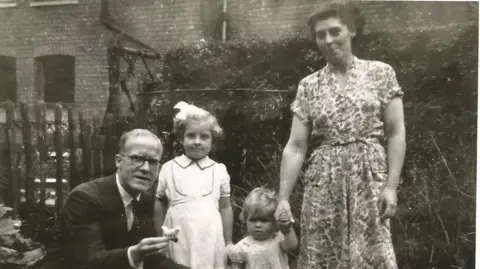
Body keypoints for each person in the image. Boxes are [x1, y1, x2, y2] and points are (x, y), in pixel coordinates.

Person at [274, 1, 406, 269]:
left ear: (352, 30)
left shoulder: (381, 73)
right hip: (325, 180)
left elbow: (395, 133)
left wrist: (391, 186)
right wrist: (283, 199)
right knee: (323, 254)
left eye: (335, 31)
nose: (328, 40)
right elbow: (296, 146)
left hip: (369, 177)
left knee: (372, 253)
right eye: (320, 34)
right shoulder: (309, 86)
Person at [35, 129, 189, 269]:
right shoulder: (84, 198)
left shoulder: (146, 200)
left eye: (153, 162)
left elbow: (150, 258)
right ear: (118, 161)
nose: (145, 168)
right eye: (137, 158)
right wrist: (134, 254)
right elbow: (89, 261)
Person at [154, 102, 234, 269]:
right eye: (191, 136)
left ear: (213, 140)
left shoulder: (219, 170)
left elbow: (225, 207)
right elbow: (159, 203)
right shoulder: (169, 168)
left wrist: (228, 241)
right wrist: (159, 237)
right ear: (182, 137)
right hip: (178, 234)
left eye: (204, 137)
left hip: (210, 235)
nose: (197, 142)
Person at [226, 188, 298, 269]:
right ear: (245, 220)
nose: (258, 225)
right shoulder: (242, 247)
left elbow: (292, 245)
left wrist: (286, 229)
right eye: (253, 220)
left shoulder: (278, 239)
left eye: (264, 220)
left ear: (275, 222)